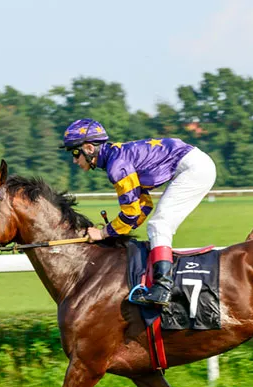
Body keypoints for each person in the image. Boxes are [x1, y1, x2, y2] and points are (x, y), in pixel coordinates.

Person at [60, 118, 217, 307]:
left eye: (76, 153)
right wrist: (117, 230)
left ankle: (162, 288)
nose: (74, 160)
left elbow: (131, 214)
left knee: (159, 225)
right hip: (195, 163)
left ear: (89, 148)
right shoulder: (116, 157)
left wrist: (103, 233)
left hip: (195, 169)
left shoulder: (117, 167)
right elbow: (144, 205)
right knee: (157, 225)